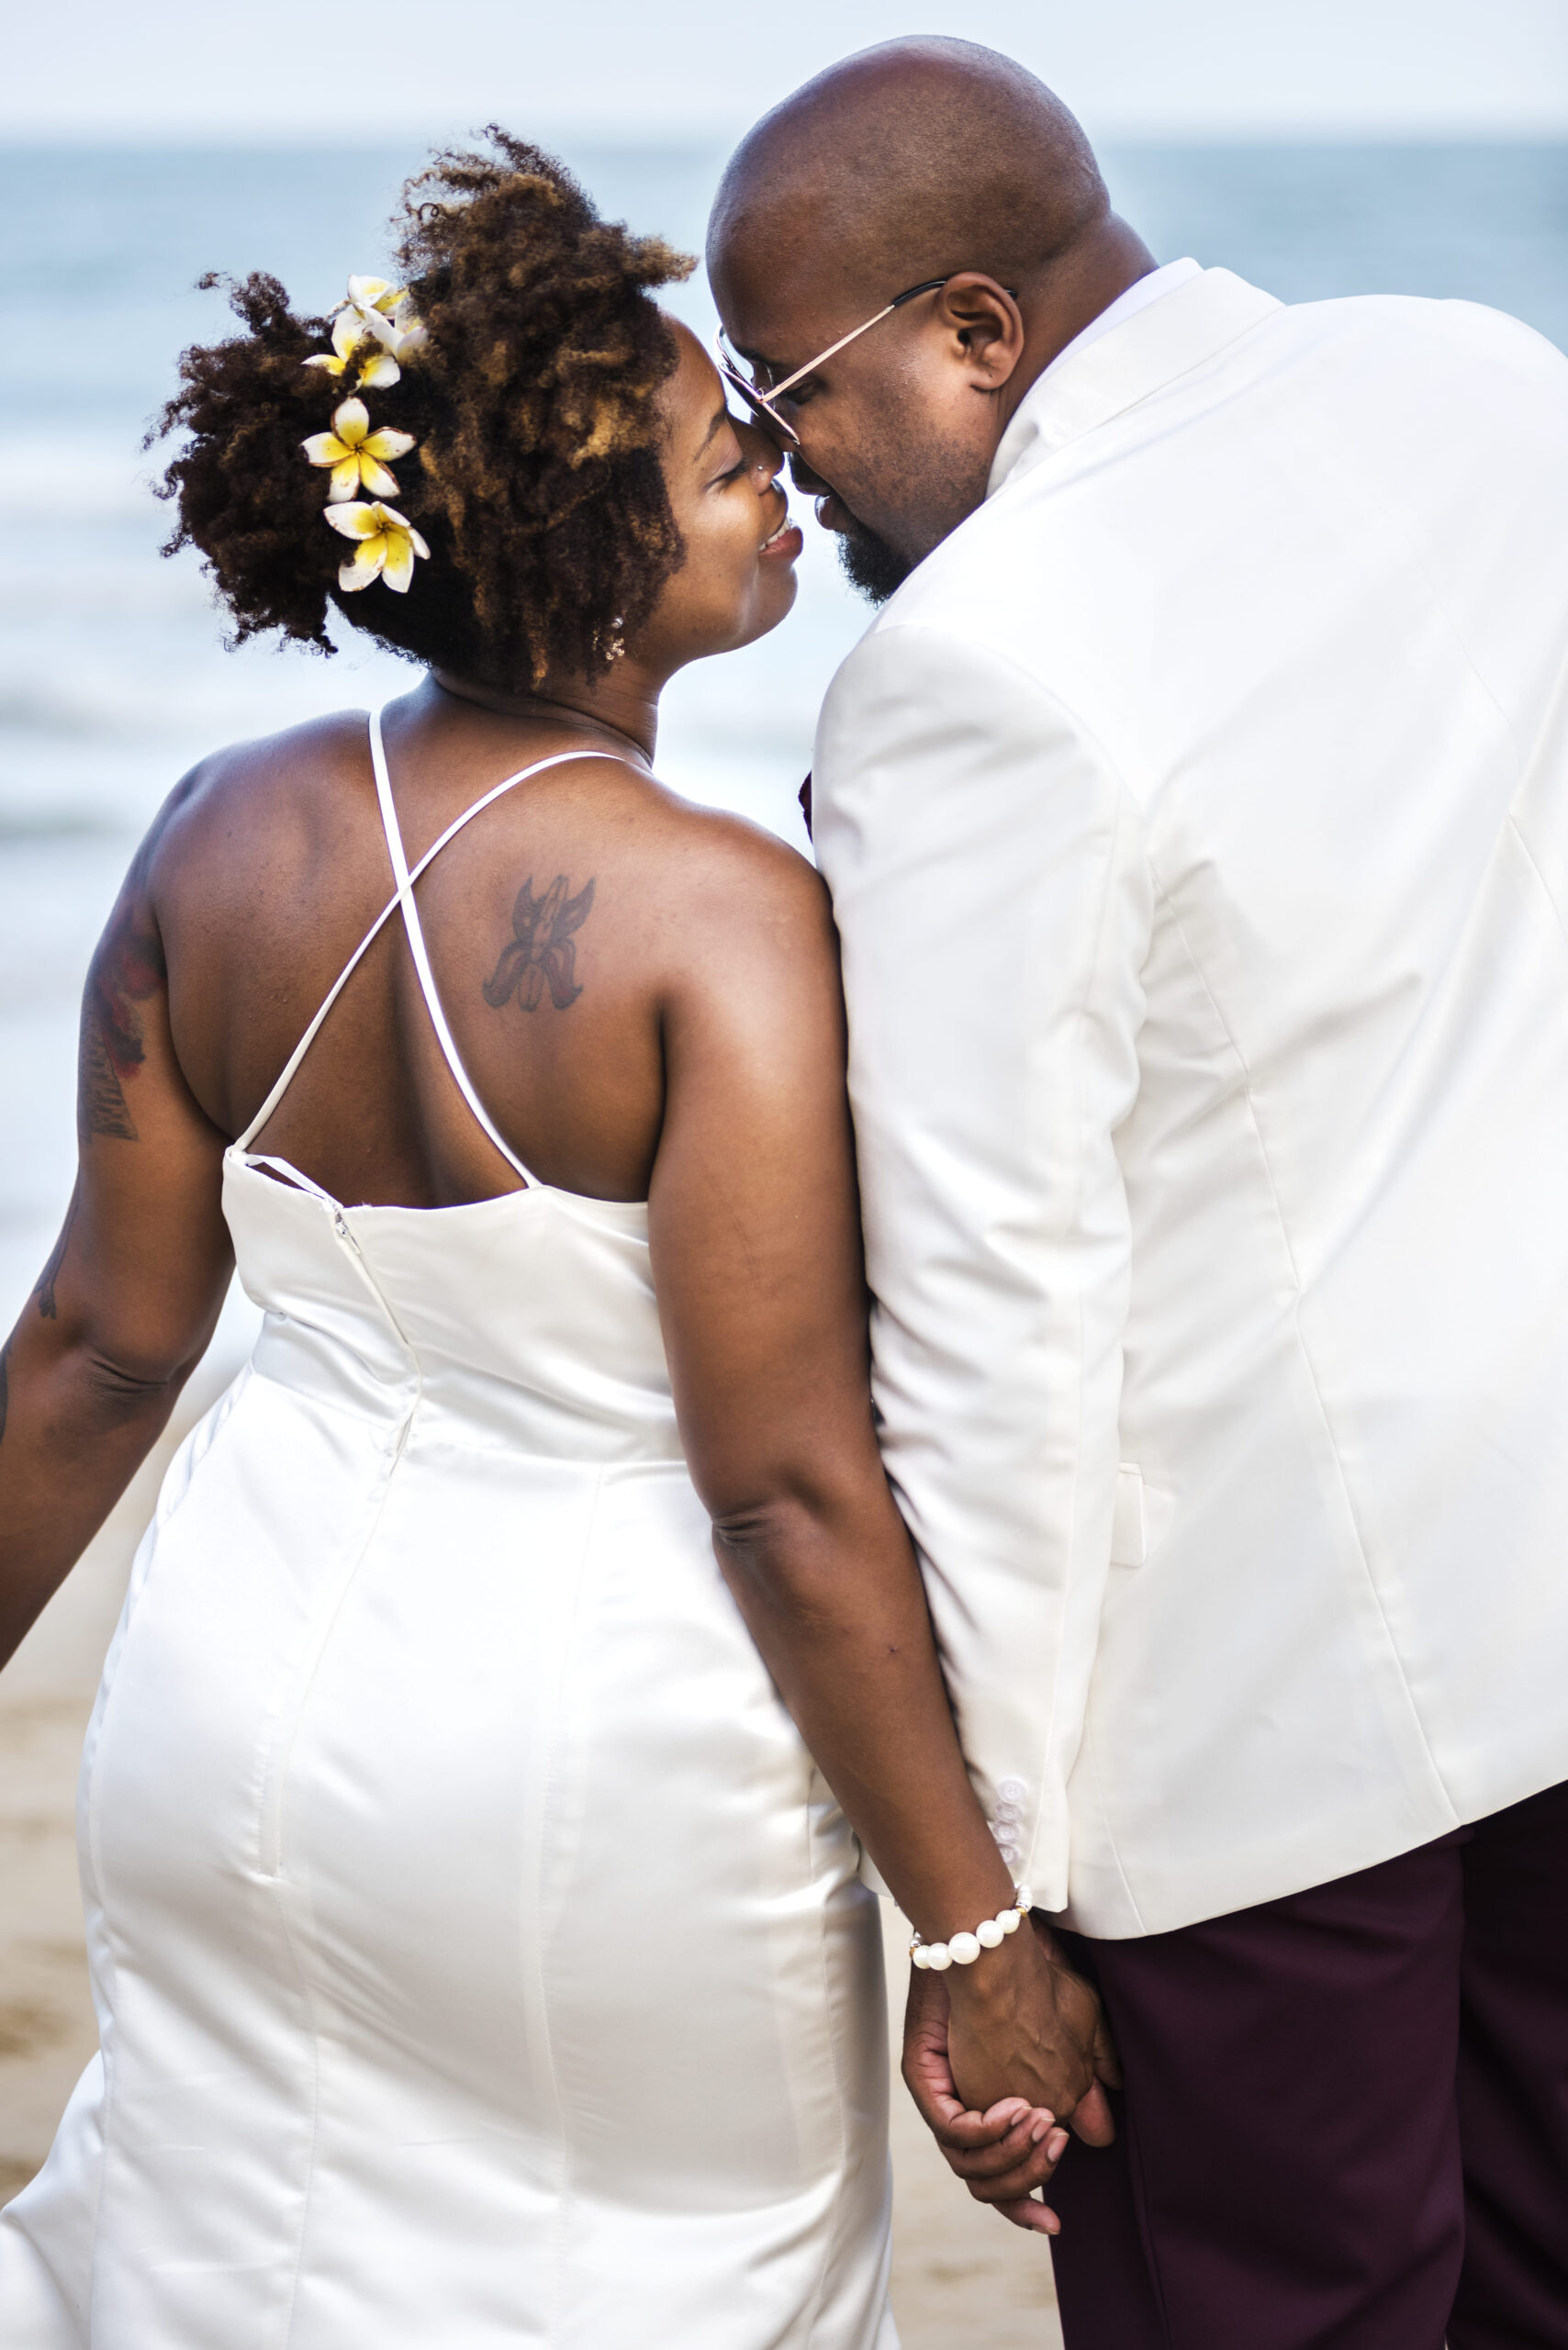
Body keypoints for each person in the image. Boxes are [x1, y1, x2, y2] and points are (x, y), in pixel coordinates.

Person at [0, 132, 1104, 2349]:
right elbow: (784, 1495)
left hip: (228, 1701)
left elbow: (94, 1359)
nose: (778, 470)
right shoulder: (719, 915)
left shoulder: (220, 829)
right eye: (725, 456)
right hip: (594, 1766)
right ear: (600, 555)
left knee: (230, 2251)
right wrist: (979, 1943)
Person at [708, 38, 1568, 2350]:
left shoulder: (973, 668)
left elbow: (996, 1317)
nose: (787, 479)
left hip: (1261, 1745)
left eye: (790, 397)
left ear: (972, 329)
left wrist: (993, 1903)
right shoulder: (1481, 379)